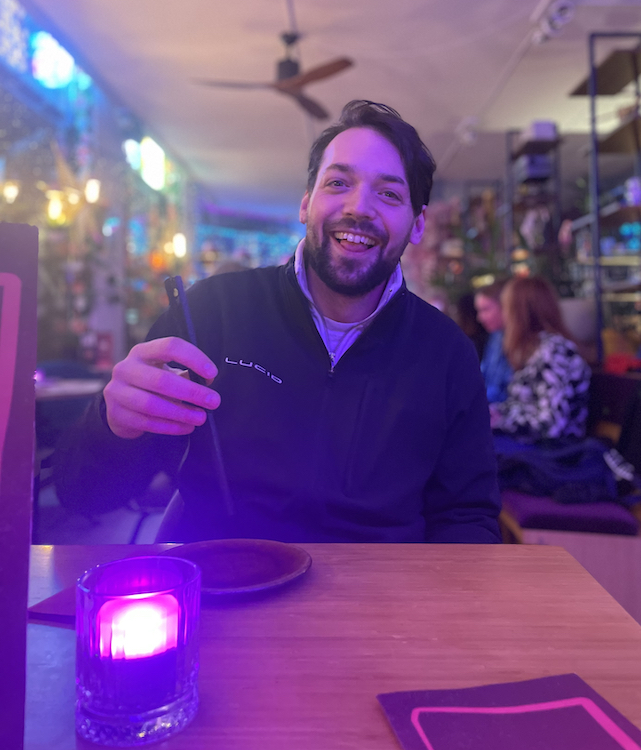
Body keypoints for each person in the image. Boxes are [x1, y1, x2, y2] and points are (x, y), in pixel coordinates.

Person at [54, 100, 501, 544]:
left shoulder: (446, 353)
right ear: (306, 204)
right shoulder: (212, 313)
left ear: (417, 224)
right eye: (338, 182)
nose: (359, 207)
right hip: (223, 593)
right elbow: (84, 495)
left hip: (383, 601)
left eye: (388, 194)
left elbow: (466, 517)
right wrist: (113, 424)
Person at [490, 275, 590, 440]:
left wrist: (501, 421)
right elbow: (526, 406)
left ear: (519, 313)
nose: (504, 315)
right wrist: (496, 413)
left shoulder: (555, 351)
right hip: (531, 447)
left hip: (554, 455)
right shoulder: (536, 349)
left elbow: (551, 425)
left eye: (506, 307)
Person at [474, 279, 511, 404]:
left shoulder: (519, 340)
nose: (480, 318)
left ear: (505, 307)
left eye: (485, 310)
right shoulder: (496, 336)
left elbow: (506, 391)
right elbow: (482, 376)